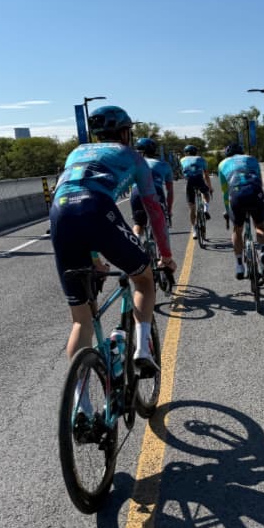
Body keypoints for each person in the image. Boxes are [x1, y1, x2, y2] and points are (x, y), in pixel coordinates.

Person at [49, 105, 176, 376]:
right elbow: (154, 210)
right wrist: (166, 256)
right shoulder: (133, 157)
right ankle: (142, 350)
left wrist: (94, 258)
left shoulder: (76, 152)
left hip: (60, 212)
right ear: (124, 132)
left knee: (81, 320)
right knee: (144, 280)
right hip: (96, 207)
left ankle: (79, 397)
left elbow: (76, 203)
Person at [218, 142, 264, 280]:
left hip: (236, 195)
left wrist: (227, 209)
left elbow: (225, 192)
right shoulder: (252, 159)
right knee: (260, 226)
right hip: (254, 192)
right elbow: (260, 181)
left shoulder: (222, 164)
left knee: (237, 230)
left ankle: (239, 265)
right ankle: (263, 253)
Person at [130, 137, 174, 238]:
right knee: (160, 226)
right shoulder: (164, 165)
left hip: (136, 192)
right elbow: (170, 191)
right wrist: (169, 210)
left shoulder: (134, 163)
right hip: (155, 192)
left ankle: (136, 239)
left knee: (138, 223)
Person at [179, 145, 213, 239]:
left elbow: (182, 171)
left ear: (186, 153)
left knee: (192, 208)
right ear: (196, 152)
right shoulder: (201, 159)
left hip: (189, 182)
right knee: (206, 194)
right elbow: (206, 175)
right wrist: (210, 187)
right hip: (199, 180)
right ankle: (205, 209)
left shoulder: (182, 159)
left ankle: (194, 230)